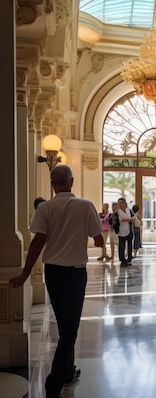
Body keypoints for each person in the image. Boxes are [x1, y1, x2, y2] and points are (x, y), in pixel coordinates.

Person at [10, 165, 103, 398]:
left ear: (53, 184)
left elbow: (37, 242)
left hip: (53, 274)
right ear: (71, 182)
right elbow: (98, 238)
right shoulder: (85, 206)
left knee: (65, 325)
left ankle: (68, 370)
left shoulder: (45, 207)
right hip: (74, 274)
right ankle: (54, 382)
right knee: (69, 329)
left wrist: (25, 274)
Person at [115, 198, 135, 267]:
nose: (121, 204)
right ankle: (123, 260)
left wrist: (129, 220)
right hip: (121, 231)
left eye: (122, 202)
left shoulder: (129, 210)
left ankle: (129, 259)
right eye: (119, 203)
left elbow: (134, 219)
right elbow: (122, 220)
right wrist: (129, 220)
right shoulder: (118, 212)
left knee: (129, 245)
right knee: (122, 247)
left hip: (129, 230)